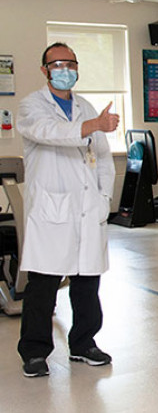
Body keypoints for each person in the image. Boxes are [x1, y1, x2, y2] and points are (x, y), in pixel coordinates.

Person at [15, 42, 117, 378]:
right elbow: (50, 133)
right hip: (51, 210)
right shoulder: (32, 106)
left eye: (70, 64)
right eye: (57, 65)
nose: (65, 70)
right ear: (44, 70)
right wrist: (93, 125)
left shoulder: (86, 107)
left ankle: (83, 343)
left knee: (87, 282)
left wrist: (104, 198)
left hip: (88, 208)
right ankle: (34, 352)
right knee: (43, 285)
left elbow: (103, 158)